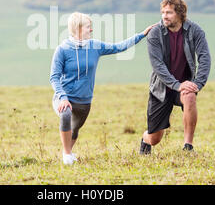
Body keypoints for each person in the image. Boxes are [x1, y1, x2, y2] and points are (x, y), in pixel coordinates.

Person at [50, 12, 157, 165]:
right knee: (66, 114)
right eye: (88, 27)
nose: (91, 30)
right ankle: (66, 155)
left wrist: (142, 34)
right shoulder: (62, 50)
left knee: (75, 129)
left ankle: (69, 151)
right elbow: (54, 77)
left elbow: (118, 47)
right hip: (64, 98)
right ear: (78, 29)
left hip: (84, 100)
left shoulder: (95, 46)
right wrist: (63, 97)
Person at [140, 0, 211, 154]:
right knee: (155, 138)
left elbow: (204, 58)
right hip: (161, 88)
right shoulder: (155, 34)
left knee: (190, 95)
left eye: (169, 12)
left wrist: (197, 84)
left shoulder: (195, 31)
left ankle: (188, 146)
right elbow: (157, 65)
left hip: (185, 85)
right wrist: (177, 85)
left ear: (180, 14)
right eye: (163, 12)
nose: (165, 16)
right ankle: (145, 139)